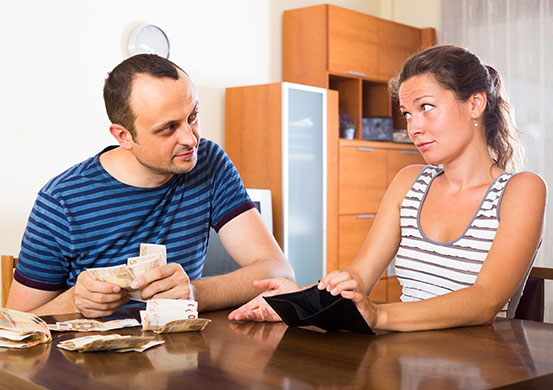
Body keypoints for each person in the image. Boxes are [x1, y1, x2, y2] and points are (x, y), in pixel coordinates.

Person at [229, 45, 547, 332]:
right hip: (406, 361)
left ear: (475, 103)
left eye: (426, 107)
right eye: (407, 114)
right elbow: (359, 278)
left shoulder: (521, 190)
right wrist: (298, 302)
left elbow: (484, 301)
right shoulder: (410, 182)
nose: (414, 128)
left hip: (484, 367)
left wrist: (380, 316)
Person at [7, 54, 294, 318]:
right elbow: (14, 325)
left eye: (192, 117)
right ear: (124, 136)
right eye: (168, 128)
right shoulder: (60, 202)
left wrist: (194, 293)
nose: (190, 139)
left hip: (181, 359)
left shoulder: (209, 163)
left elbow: (277, 270)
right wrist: (73, 302)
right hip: (88, 368)